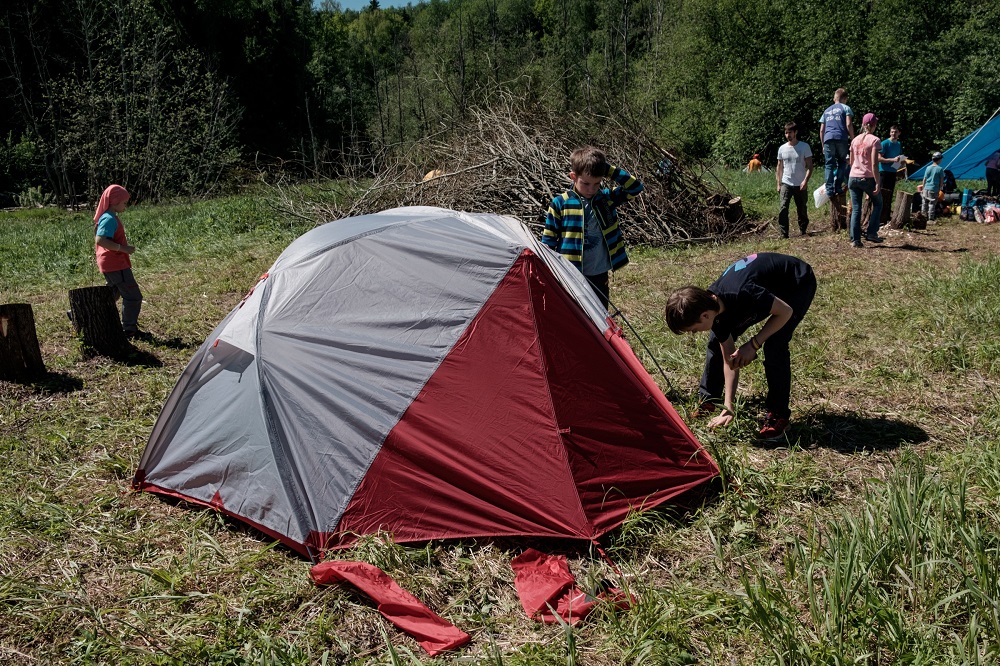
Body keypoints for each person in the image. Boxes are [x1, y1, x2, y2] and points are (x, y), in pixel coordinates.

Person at [665, 252, 816, 440]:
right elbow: (730, 361)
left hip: (795, 282)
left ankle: (779, 416)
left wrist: (753, 344)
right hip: (765, 290)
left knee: (775, 344)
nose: (695, 334)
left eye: (694, 330)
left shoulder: (743, 293)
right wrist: (728, 408)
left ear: (704, 315)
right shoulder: (715, 309)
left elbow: (785, 311)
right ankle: (711, 400)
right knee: (715, 341)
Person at [543, 146, 644, 309]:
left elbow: (636, 187)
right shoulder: (560, 203)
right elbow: (548, 241)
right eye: (586, 183)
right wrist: (550, 270)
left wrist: (608, 169)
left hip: (599, 272)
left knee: (601, 312)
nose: (591, 189)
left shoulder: (606, 198)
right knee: (575, 312)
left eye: (597, 183)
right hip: (571, 272)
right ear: (573, 177)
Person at [94, 184, 145, 338]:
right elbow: (101, 239)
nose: (126, 206)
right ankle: (129, 329)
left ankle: (80, 311)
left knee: (113, 293)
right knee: (133, 296)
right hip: (115, 264)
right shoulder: (109, 218)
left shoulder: (110, 217)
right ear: (114, 201)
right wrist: (124, 249)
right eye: (124, 203)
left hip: (112, 264)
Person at [847, 112, 882, 248]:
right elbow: (874, 164)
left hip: (853, 177)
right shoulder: (874, 140)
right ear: (873, 125)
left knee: (856, 209)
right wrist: (878, 182)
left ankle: (855, 240)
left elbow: (851, 161)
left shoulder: (855, 140)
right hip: (867, 177)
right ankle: (872, 233)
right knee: (878, 204)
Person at [775, 121, 813, 238]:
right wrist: (778, 183)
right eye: (786, 133)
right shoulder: (782, 148)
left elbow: (810, 166)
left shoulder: (804, 147)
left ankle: (803, 229)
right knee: (783, 207)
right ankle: (784, 233)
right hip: (786, 182)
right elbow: (779, 166)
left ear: (795, 132)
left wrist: (805, 181)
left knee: (801, 208)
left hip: (800, 183)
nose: (788, 135)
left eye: (790, 133)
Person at [818, 88, 855, 199]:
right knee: (842, 162)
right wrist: (853, 139)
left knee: (829, 164)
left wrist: (823, 144)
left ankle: (829, 190)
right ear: (844, 98)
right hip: (841, 138)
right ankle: (838, 187)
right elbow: (848, 124)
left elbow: (821, 130)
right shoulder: (846, 108)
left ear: (835, 98)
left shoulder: (826, 111)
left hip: (828, 138)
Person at [878, 125, 904, 227]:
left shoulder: (898, 144)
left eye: (895, 132)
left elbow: (899, 158)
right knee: (882, 194)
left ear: (899, 133)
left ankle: (887, 216)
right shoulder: (884, 143)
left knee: (890, 194)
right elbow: (879, 158)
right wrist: (892, 160)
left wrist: (901, 162)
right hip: (883, 172)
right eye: (892, 132)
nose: (893, 134)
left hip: (893, 172)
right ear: (890, 132)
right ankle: (879, 217)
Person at [921, 152, 945, 221]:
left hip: (926, 188)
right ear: (939, 160)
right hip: (934, 189)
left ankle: (923, 216)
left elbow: (924, 179)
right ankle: (930, 218)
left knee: (924, 203)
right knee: (932, 204)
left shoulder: (928, 168)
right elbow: (941, 180)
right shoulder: (940, 169)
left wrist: (923, 188)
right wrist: (941, 188)